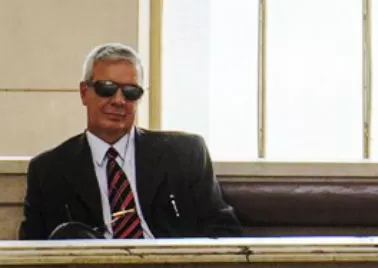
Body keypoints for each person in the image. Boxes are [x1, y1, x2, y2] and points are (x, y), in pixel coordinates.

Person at [19, 43, 241, 240]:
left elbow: (224, 231)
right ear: (84, 92)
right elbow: (33, 252)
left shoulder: (185, 155)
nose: (118, 101)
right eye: (106, 88)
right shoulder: (49, 170)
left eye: (130, 92)